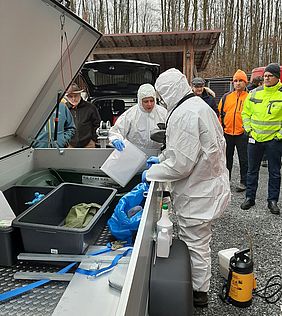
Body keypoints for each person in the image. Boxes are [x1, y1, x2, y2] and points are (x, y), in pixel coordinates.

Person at [142, 68, 230, 307]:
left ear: (168, 91)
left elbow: (181, 165)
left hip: (198, 192)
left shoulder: (183, 114)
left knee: (196, 242)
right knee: (199, 240)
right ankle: (195, 286)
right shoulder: (199, 106)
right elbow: (188, 150)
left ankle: (197, 293)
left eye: (161, 94)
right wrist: (161, 160)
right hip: (208, 185)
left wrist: (151, 172)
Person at [241, 63, 282, 215]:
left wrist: (279, 135)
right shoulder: (255, 93)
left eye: (270, 76)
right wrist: (249, 130)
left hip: (274, 141)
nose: (266, 78)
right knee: (252, 170)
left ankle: (272, 201)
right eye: (265, 75)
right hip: (255, 138)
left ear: (277, 77)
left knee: (274, 172)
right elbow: (245, 113)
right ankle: (249, 198)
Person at [108, 83, 167, 156]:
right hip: (135, 154)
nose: (149, 104)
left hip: (158, 154)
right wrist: (116, 139)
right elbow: (116, 131)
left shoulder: (163, 113)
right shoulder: (130, 114)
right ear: (140, 101)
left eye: (151, 101)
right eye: (146, 101)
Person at [218, 69, 249, 192]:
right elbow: (220, 113)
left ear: (245, 82)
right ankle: (226, 180)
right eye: (235, 80)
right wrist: (221, 128)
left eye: (241, 81)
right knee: (226, 159)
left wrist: (248, 130)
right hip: (227, 133)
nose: (238, 83)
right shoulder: (226, 97)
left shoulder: (250, 97)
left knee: (244, 159)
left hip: (242, 134)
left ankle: (244, 182)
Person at [65, 83, 101, 148]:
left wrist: (93, 140)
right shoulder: (64, 109)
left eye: (75, 96)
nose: (73, 99)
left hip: (88, 144)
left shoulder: (90, 107)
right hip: (70, 145)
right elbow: (60, 127)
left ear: (80, 94)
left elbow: (97, 124)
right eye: (70, 96)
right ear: (67, 97)